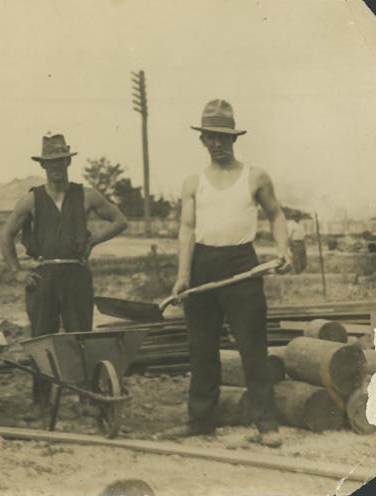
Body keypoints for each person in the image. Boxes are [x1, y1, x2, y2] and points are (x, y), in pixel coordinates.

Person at [166, 99, 290, 447]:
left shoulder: (255, 176)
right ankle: (201, 421)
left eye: (224, 136)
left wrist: (283, 250)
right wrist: (183, 275)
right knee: (201, 346)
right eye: (211, 137)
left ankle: (266, 423)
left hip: (242, 265)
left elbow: (276, 215)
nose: (218, 143)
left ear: (234, 138)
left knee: (252, 346)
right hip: (203, 265)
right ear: (202, 140)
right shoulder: (193, 182)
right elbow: (187, 229)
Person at [0, 134, 127, 405]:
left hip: (76, 274)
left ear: (68, 161)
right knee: (42, 337)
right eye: (50, 162)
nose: (56, 166)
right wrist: (17, 271)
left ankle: (86, 397)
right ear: (43, 165)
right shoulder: (31, 200)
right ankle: (42, 399)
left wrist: (94, 240)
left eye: (60, 161)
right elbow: (6, 234)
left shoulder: (86, 195)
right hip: (43, 275)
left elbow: (119, 220)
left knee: (80, 335)